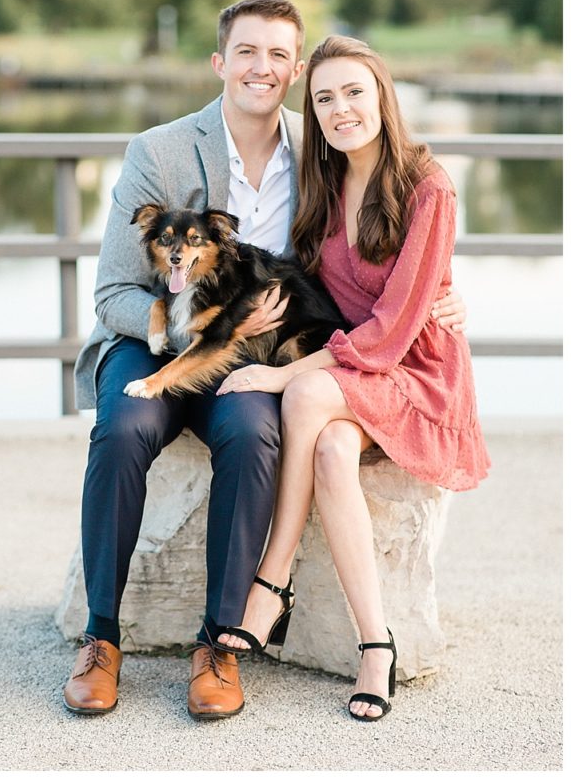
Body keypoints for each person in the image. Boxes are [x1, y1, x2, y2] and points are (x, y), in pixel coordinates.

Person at [64, 0, 466, 720]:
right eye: (247, 51)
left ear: (295, 70)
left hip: (258, 359)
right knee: (121, 430)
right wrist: (191, 329)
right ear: (221, 61)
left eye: (279, 55)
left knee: (255, 436)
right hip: (154, 342)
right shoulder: (158, 151)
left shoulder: (318, 154)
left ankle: (220, 641)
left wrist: (445, 298)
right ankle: (101, 637)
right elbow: (113, 292)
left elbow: (379, 252)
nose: (262, 67)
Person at [213, 35, 490, 721]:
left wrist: (278, 379)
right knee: (332, 450)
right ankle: (376, 645)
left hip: (411, 368)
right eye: (326, 98)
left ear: (382, 96)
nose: (342, 110)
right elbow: (309, 283)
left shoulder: (428, 187)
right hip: (353, 370)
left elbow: (394, 329)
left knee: (301, 391)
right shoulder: (326, 180)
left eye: (355, 93)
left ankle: (270, 582)